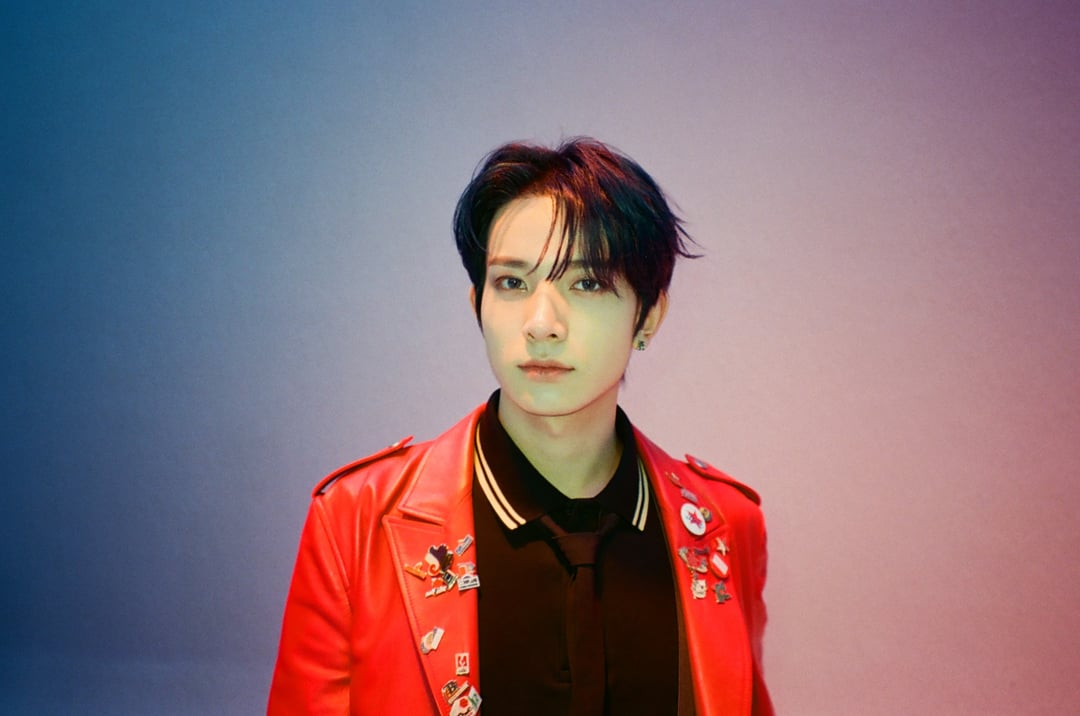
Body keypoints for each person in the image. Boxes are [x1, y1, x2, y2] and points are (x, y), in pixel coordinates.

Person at [268, 138, 773, 715]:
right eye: (512, 283)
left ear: (648, 317)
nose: (541, 324)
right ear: (477, 305)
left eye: (587, 283)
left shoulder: (726, 524)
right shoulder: (356, 519)